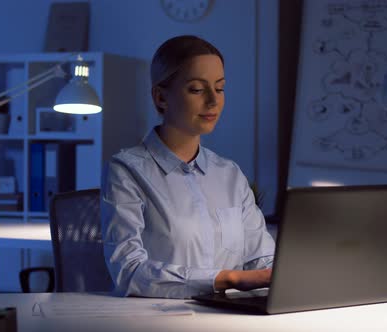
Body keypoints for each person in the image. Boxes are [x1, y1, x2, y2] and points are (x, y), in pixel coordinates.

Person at [101, 35, 275, 299]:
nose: (213, 101)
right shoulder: (126, 171)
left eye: (219, 88)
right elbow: (129, 271)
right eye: (196, 89)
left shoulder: (230, 175)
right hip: (156, 320)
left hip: (228, 318)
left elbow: (261, 259)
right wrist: (226, 278)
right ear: (161, 97)